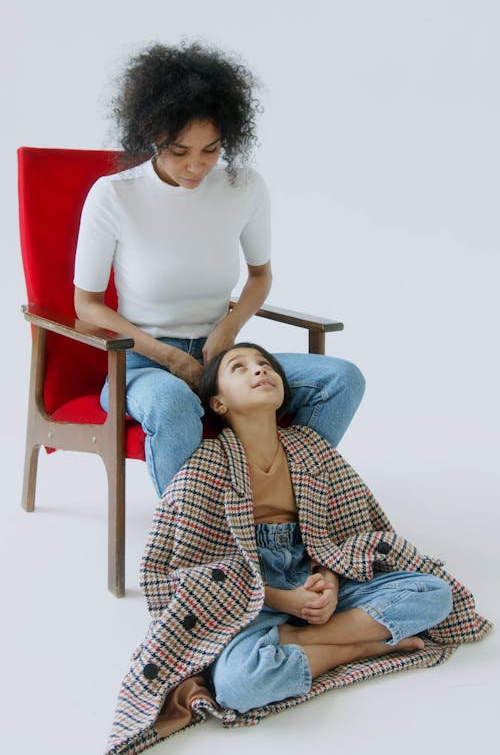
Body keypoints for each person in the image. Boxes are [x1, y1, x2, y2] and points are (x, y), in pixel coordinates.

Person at [105, 343, 490, 754]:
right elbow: (187, 567)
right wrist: (284, 600)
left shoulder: (310, 447)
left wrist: (329, 579)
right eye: (240, 368)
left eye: (265, 365)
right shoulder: (206, 465)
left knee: (435, 594)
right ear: (217, 402)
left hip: (312, 568)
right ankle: (365, 646)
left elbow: (351, 526)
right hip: (250, 592)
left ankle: (298, 641)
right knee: (238, 685)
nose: (259, 371)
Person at [74, 41, 365, 495]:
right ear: (152, 136)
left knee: (341, 379)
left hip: (220, 360)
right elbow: (86, 306)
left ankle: (283, 503)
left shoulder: (243, 188)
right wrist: (168, 355)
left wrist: (229, 330)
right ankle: (190, 534)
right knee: (171, 403)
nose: (196, 166)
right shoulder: (114, 195)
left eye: (211, 150)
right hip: (139, 364)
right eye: (178, 150)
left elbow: (260, 276)